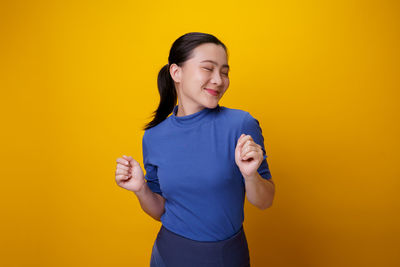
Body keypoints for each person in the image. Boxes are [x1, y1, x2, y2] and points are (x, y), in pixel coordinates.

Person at [115, 32, 275, 267]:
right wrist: (140, 189)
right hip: (169, 256)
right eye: (208, 68)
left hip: (227, 257)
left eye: (224, 72)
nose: (219, 80)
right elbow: (160, 210)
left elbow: (265, 201)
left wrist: (250, 175)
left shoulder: (240, 125)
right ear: (176, 72)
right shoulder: (154, 136)